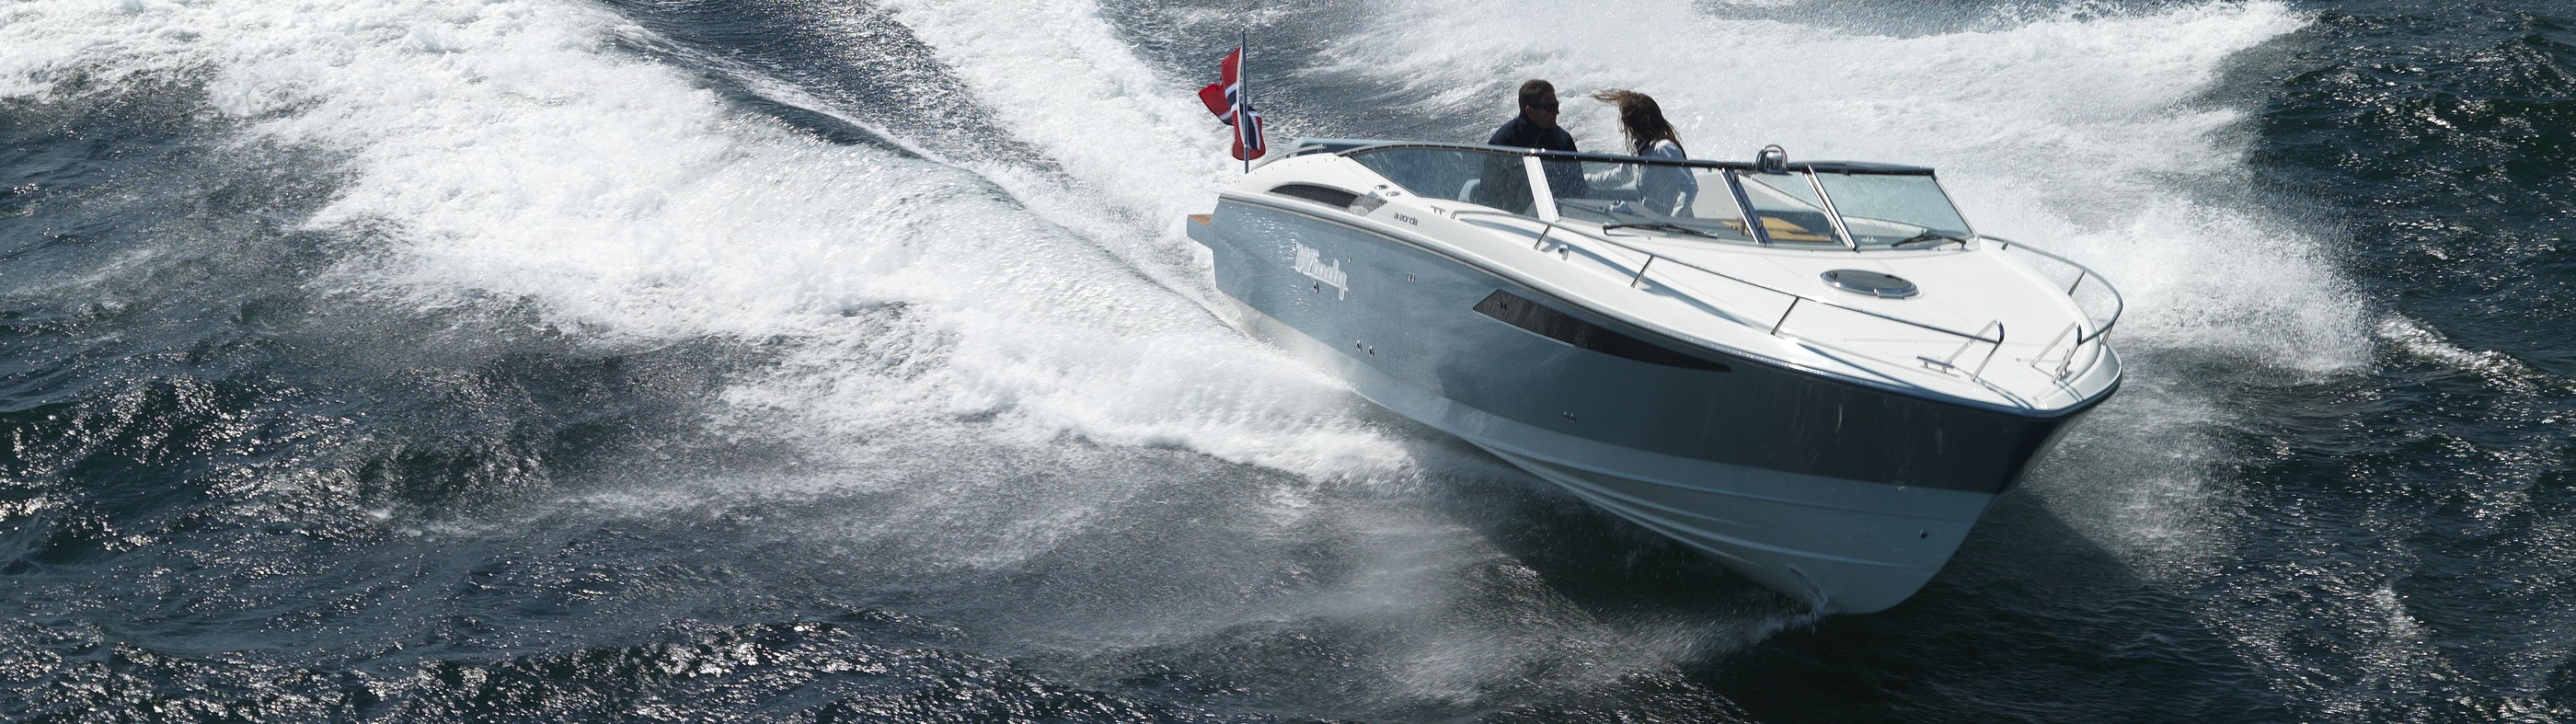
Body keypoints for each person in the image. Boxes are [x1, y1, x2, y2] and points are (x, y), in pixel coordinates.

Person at [1584, 88, 1697, 217]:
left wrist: (1674, 220)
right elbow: (1620, 176)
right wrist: (1585, 179)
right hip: (1651, 223)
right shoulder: (1638, 152)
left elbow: (1690, 186)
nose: (1626, 129)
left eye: (1627, 124)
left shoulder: (1664, 148)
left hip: (1674, 227)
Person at [1487, 79, 1576, 152]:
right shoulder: (1502, 142)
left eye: (1557, 106)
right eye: (1550, 107)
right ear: (1530, 111)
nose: (1557, 112)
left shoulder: (1563, 139)